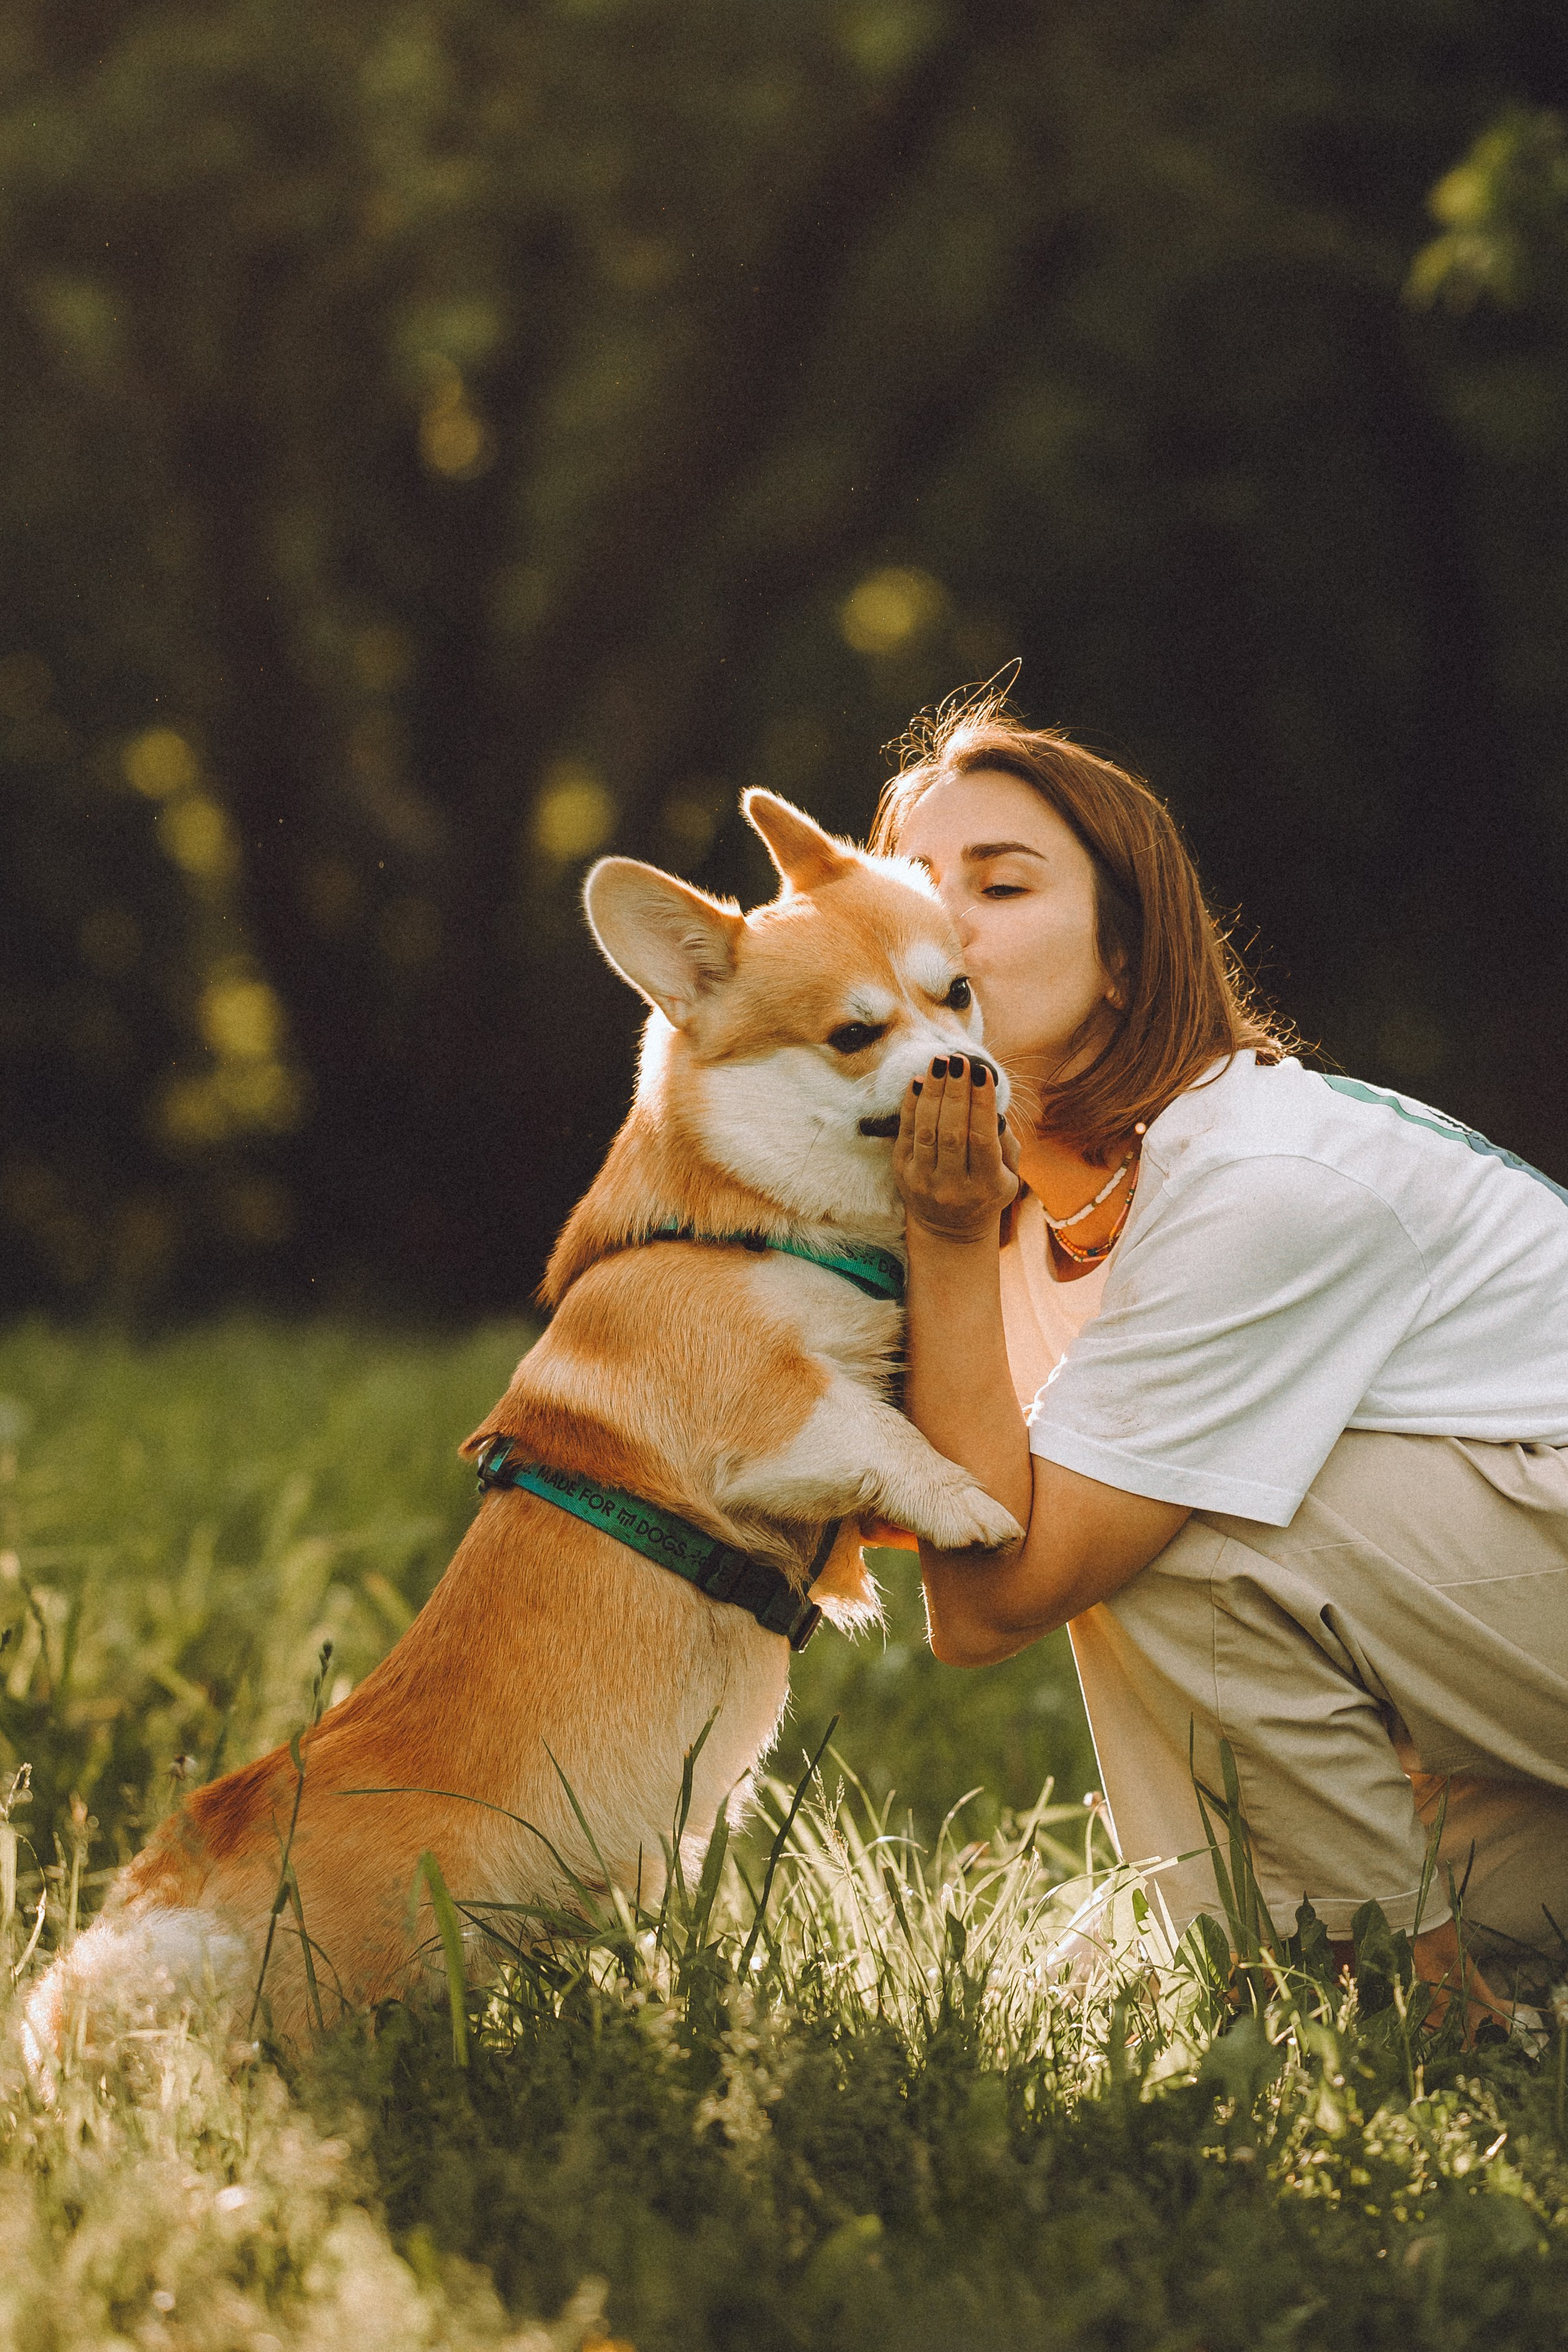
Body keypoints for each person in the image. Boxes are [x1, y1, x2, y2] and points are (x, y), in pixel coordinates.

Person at [872, 696, 1568, 2025]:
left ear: (1126, 961)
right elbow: (947, 1503)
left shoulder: (1254, 1187)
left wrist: (948, 1246)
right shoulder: (1023, 1201)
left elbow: (989, 1598)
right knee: (1248, 1938)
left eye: (998, 882)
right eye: (905, 885)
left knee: (1179, 1531)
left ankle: (1411, 2024)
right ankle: (1348, 1980)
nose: (934, 919)